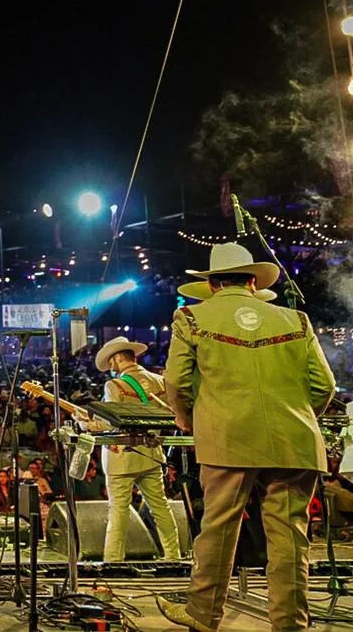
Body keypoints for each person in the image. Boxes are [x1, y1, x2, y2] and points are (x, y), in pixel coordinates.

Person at [156, 243, 336, 632]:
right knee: (290, 537)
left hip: (227, 437)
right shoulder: (297, 320)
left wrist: (187, 420)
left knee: (219, 527)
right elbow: (324, 386)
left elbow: (176, 381)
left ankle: (203, 615)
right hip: (296, 441)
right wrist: (298, 418)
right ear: (254, 282)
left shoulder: (190, 318)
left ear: (212, 284)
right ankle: (290, 623)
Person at [84, 335, 183, 563]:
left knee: (118, 510)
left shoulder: (115, 385)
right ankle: (173, 555)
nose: (111, 366)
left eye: (111, 361)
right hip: (151, 453)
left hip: (121, 458)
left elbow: (110, 423)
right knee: (160, 507)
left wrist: (86, 424)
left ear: (119, 358)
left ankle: (113, 559)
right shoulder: (160, 381)